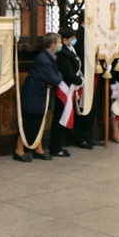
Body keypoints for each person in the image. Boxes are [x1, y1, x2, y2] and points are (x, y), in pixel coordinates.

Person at [13, 32, 63, 162]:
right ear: (52, 45)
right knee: (28, 122)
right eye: (59, 42)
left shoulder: (51, 56)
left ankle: (38, 149)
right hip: (33, 96)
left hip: (40, 95)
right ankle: (19, 151)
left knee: (39, 122)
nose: (60, 45)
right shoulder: (43, 59)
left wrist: (57, 75)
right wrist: (59, 77)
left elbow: (55, 74)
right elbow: (55, 79)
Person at [50, 26, 84, 158]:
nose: (74, 40)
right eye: (71, 38)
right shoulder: (63, 53)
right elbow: (68, 73)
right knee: (60, 117)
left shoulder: (70, 49)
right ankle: (55, 147)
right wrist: (80, 81)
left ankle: (58, 145)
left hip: (70, 87)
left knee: (62, 116)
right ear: (64, 40)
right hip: (64, 87)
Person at [73, 24, 105, 149]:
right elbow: (81, 53)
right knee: (83, 107)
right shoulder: (79, 34)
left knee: (93, 108)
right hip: (84, 75)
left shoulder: (95, 33)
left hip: (95, 75)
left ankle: (89, 136)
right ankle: (80, 138)